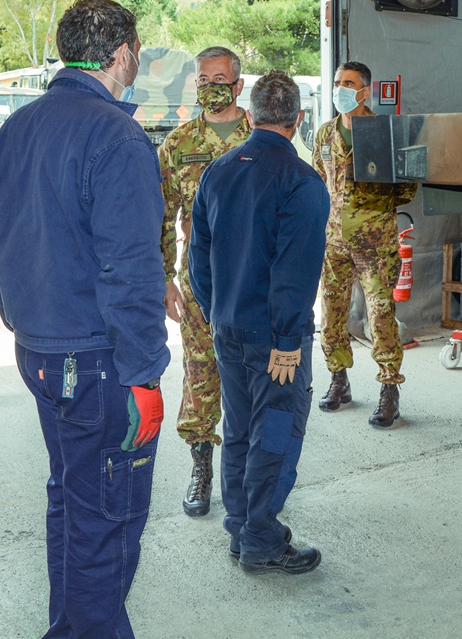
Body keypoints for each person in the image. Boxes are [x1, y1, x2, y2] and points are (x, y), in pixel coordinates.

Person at [0, 0, 168, 638]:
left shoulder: (16, 128)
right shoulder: (117, 136)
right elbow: (132, 272)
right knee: (107, 518)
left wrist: (24, 319)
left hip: (41, 353)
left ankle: (68, 628)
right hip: (98, 364)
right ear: (122, 54)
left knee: (72, 500)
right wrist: (144, 374)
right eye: (136, 50)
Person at [189, 71, 329, 574]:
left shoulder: (218, 171)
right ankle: (261, 540)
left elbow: (197, 261)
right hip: (275, 340)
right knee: (275, 433)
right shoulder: (302, 182)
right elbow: (294, 274)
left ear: (251, 115)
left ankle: (240, 529)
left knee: (241, 430)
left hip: (227, 328)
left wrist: (215, 311)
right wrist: (289, 340)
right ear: (298, 118)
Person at [160, 46, 252, 517]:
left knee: (254, 373)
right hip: (198, 283)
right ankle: (201, 467)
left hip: (252, 283)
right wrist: (164, 280)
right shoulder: (176, 145)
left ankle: (254, 473)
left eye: (218, 78)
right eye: (202, 78)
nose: (209, 86)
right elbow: (161, 217)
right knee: (200, 369)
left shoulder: (262, 139)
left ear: (238, 84)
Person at [312, 61, 416, 427]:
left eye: (349, 83)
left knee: (380, 317)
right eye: (338, 81)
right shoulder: (325, 134)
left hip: (375, 242)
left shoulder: (385, 132)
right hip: (333, 243)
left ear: (365, 91)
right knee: (330, 315)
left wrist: (376, 198)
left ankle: (389, 389)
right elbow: (316, 183)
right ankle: (338, 380)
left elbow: (407, 187)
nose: (340, 88)